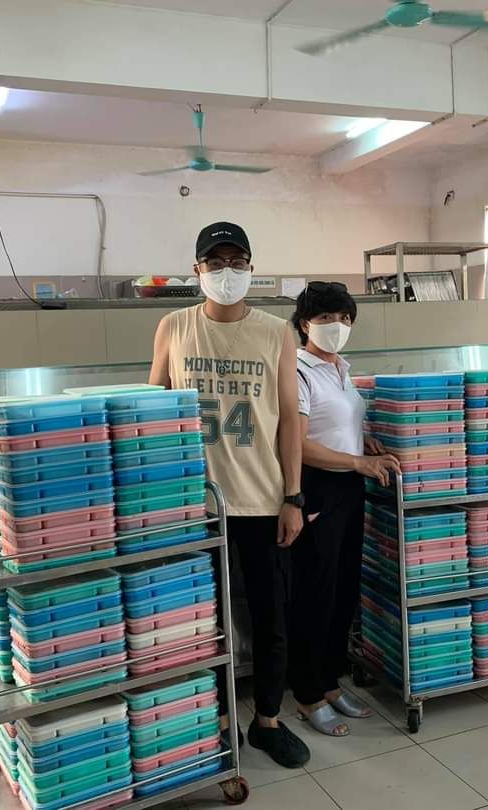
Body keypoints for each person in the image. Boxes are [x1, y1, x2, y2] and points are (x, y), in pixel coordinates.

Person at [149, 222, 309, 767]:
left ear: (251, 268)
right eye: (215, 262)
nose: (226, 272)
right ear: (196, 270)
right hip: (194, 506)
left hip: (262, 501)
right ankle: (216, 719)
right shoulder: (174, 327)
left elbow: (290, 419)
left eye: (237, 261)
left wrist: (293, 496)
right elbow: (154, 410)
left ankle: (267, 720)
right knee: (201, 621)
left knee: (269, 618)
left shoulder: (276, 332)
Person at [286, 282, 400, 737]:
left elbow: (336, 422)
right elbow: (297, 443)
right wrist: (357, 461)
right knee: (314, 595)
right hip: (316, 488)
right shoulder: (297, 370)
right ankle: (307, 693)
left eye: (345, 318)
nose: (337, 326)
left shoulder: (340, 368)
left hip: (350, 487)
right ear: (304, 324)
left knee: (343, 591)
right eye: (327, 318)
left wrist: (362, 440)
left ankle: (331, 683)